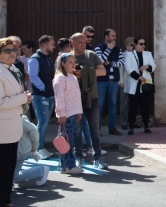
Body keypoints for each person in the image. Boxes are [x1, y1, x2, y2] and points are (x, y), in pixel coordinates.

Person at [0, 37, 32, 207]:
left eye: (14, 50)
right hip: (1, 126)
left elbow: (16, 95)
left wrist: (24, 99)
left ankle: (5, 199)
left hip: (12, 124)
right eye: (8, 51)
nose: (13, 53)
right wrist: (22, 98)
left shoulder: (13, 70)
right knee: (2, 166)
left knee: (10, 165)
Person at [71, 33, 108, 170]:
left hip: (91, 98)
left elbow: (103, 71)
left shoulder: (91, 55)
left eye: (84, 42)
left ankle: (97, 158)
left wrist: (85, 71)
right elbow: (60, 74)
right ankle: (78, 157)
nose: (83, 44)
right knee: (77, 130)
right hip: (74, 99)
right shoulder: (67, 57)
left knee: (94, 130)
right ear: (72, 42)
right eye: (80, 42)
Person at [53, 53, 84, 175]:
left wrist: (79, 111)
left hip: (73, 113)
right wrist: (61, 113)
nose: (73, 64)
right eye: (70, 62)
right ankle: (69, 165)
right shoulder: (60, 78)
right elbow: (59, 97)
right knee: (67, 140)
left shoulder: (73, 77)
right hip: (65, 114)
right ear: (63, 63)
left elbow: (76, 96)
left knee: (69, 139)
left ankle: (64, 165)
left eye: (74, 62)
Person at [28, 35, 56, 160]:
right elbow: (33, 76)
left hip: (49, 95)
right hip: (40, 96)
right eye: (52, 44)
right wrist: (43, 87)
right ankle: (38, 149)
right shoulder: (35, 58)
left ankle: (41, 147)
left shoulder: (47, 58)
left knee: (44, 122)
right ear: (45, 45)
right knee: (42, 122)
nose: (54, 46)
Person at [124, 37, 155, 135]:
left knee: (145, 106)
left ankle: (146, 126)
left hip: (145, 83)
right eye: (141, 44)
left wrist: (147, 67)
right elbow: (127, 68)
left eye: (144, 44)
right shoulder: (129, 54)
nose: (143, 46)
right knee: (133, 106)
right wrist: (138, 77)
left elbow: (153, 66)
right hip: (135, 83)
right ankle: (131, 127)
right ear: (136, 44)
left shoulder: (148, 54)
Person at [95, 29, 124, 136]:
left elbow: (122, 63)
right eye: (112, 36)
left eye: (115, 36)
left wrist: (111, 63)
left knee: (113, 105)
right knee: (99, 105)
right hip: (101, 81)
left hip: (113, 81)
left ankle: (112, 128)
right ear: (106, 37)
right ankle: (96, 129)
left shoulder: (118, 49)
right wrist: (108, 49)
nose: (115, 38)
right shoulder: (98, 48)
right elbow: (99, 60)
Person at [14, 115, 49, 186]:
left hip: (20, 151)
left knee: (12, 177)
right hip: (13, 151)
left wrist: (34, 148)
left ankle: (41, 171)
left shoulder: (17, 117)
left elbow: (33, 130)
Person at [120, 37, 135, 130]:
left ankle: (132, 121)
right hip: (125, 81)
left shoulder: (136, 55)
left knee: (133, 103)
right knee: (124, 103)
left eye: (134, 45)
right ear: (126, 46)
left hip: (134, 81)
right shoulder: (123, 55)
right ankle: (123, 122)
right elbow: (120, 69)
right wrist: (121, 82)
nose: (133, 47)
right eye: (131, 45)